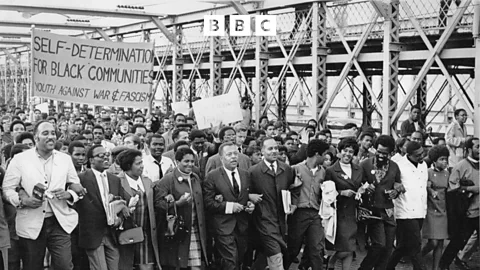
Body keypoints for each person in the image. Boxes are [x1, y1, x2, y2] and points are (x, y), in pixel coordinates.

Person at [2, 120, 86, 270]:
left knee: (64, 265)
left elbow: (77, 187)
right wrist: (23, 200)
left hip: (59, 221)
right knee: (32, 265)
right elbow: (7, 189)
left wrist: (69, 194)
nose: (51, 137)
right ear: (36, 137)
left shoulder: (65, 159)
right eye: (45, 133)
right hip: (31, 222)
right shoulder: (20, 160)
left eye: (53, 133)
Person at [154, 148, 208, 270]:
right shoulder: (168, 179)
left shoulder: (195, 177)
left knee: (197, 265)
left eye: (192, 161)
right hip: (179, 229)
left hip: (196, 228)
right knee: (179, 264)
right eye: (186, 161)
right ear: (177, 161)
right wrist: (177, 204)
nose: (190, 164)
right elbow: (158, 204)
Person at [203, 142, 254, 269]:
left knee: (239, 259)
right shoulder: (212, 176)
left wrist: (250, 205)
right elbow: (208, 203)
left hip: (242, 226)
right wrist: (229, 206)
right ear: (221, 158)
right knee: (230, 260)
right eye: (229, 154)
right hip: (223, 226)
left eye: (235, 153)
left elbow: (245, 197)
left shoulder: (245, 175)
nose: (233, 157)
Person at [248, 138, 297, 270]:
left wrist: (293, 204)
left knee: (273, 254)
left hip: (281, 221)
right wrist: (250, 196)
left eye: (276, 148)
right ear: (262, 151)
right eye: (270, 149)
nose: (274, 151)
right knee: (275, 253)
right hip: (263, 220)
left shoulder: (286, 169)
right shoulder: (253, 171)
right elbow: (245, 192)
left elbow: (292, 190)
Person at [75, 144, 126, 270]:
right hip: (93, 234)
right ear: (91, 160)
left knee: (114, 266)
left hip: (112, 233)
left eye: (107, 155)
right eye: (100, 156)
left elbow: (121, 202)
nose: (105, 158)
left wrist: (119, 220)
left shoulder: (115, 179)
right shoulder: (81, 179)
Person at [358, 135, 402, 270]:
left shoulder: (394, 167)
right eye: (379, 152)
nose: (382, 155)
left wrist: (396, 191)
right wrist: (365, 187)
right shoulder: (365, 164)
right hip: (372, 211)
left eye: (385, 153)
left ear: (391, 153)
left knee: (388, 249)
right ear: (375, 149)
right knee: (379, 244)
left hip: (388, 211)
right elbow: (357, 183)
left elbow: (398, 184)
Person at [284, 139, 329, 270]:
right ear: (317, 154)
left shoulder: (323, 172)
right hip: (298, 213)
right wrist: (293, 186)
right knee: (293, 248)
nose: (326, 157)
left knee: (317, 248)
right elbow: (285, 190)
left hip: (315, 213)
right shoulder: (295, 169)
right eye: (324, 153)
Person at [116, 149, 161, 270]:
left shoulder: (147, 180)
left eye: (142, 162)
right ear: (128, 165)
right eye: (138, 163)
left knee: (147, 265)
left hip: (145, 231)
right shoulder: (117, 181)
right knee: (126, 264)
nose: (142, 166)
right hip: (126, 231)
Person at [387, 141, 428, 270]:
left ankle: (387, 267)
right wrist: (395, 185)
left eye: (422, 153)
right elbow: (389, 182)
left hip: (420, 209)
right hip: (405, 210)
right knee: (416, 245)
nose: (421, 157)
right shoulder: (398, 166)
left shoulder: (424, 165)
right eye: (417, 155)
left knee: (403, 245)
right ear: (408, 154)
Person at [439, 137, 479, 270]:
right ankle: (444, 264)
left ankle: (461, 258)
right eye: (477, 147)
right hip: (467, 211)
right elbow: (452, 188)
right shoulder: (460, 166)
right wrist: (468, 189)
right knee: (458, 241)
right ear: (468, 149)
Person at [324, 137, 364, 270]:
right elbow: (326, 193)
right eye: (345, 151)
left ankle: (333, 260)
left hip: (353, 211)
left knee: (350, 247)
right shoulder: (331, 170)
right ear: (339, 152)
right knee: (346, 247)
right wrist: (341, 192)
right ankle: (333, 259)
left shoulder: (358, 169)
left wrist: (361, 190)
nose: (347, 154)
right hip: (338, 212)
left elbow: (361, 184)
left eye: (351, 152)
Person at [421, 145, 450, 270]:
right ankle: (418, 256)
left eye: (446, 159)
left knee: (440, 243)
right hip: (432, 209)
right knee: (433, 242)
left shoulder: (447, 173)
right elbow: (424, 187)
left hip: (443, 210)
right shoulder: (428, 172)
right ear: (434, 160)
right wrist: (431, 190)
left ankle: (436, 267)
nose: (444, 162)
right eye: (441, 159)